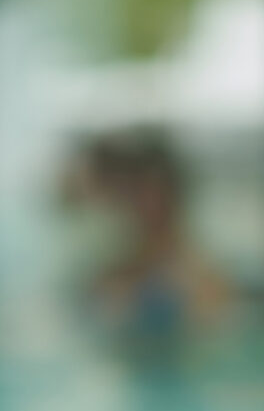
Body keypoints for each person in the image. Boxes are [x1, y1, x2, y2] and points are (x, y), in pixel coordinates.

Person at [66, 130, 231, 339]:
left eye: (150, 193)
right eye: (133, 193)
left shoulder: (202, 280)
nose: (143, 205)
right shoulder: (108, 274)